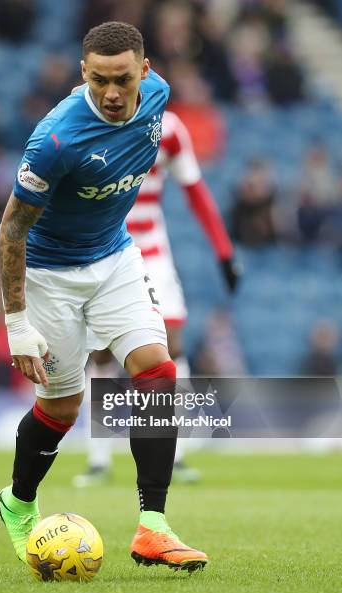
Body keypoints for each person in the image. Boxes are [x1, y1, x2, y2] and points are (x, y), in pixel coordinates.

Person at [0, 21, 208, 573]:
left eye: (122, 80)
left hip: (115, 257)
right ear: (82, 74)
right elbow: (11, 231)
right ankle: (17, 503)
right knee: (63, 406)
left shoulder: (158, 97)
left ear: (145, 71)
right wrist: (16, 324)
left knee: (157, 373)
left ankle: (153, 528)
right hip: (50, 275)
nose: (112, 94)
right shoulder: (56, 140)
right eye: (98, 81)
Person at [74, 108, 239, 487]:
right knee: (101, 352)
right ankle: (99, 460)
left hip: (151, 247)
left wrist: (224, 251)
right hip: (104, 249)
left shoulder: (169, 128)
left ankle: (174, 454)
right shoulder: (86, 121)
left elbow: (195, 191)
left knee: (171, 342)